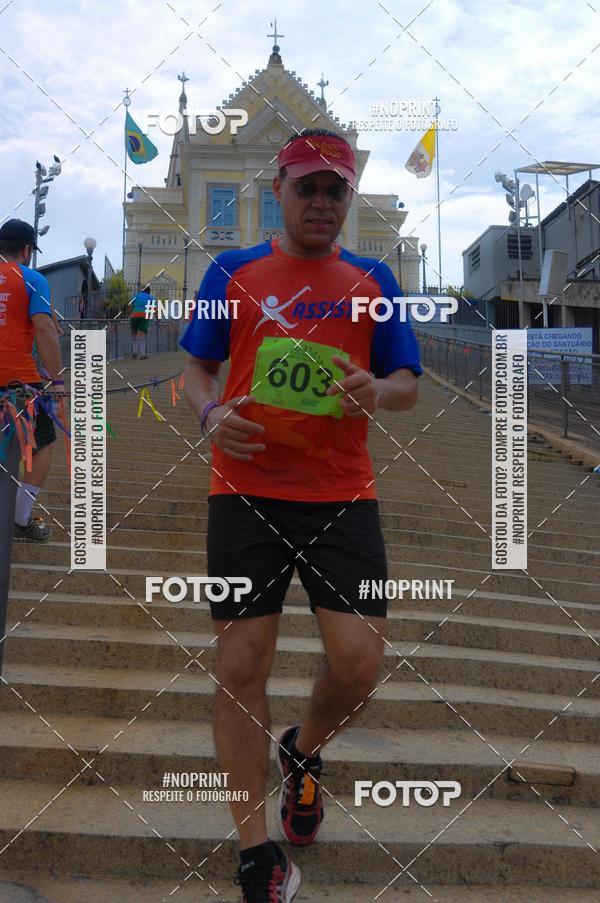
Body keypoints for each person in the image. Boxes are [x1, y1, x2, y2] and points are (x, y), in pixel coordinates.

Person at [181, 129, 422, 902]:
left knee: (358, 664)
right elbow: (195, 371)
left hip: (342, 490)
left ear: (348, 198)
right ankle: (256, 852)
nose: (322, 201)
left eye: (335, 190)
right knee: (241, 662)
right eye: (307, 187)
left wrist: (378, 390)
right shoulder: (232, 269)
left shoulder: (373, 276)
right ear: (278, 190)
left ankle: (302, 750)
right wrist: (212, 414)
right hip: (245, 488)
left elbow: (410, 380)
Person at [0, 219, 64, 543]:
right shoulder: (32, 278)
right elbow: (44, 329)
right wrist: (59, 382)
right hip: (19, 383)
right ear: (26, 250)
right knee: (42, 443)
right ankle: (20, 518)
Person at [129, 282, 154, 358]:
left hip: (134, 315)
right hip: (144, 315)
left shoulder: (136, 296)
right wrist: (157, 318)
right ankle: (143, 355)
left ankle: (134, 353)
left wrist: (132, 313)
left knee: (134, 334)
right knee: (141, 335)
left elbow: (130, 305)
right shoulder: (150, 298)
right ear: (149, 291)